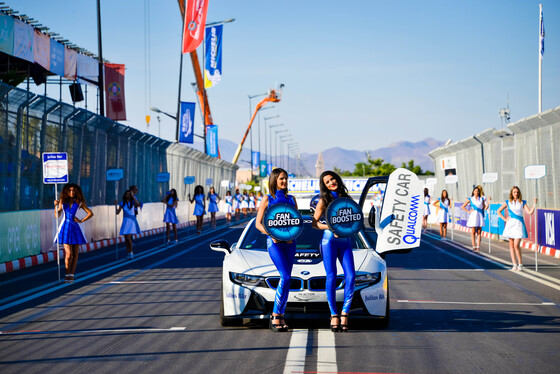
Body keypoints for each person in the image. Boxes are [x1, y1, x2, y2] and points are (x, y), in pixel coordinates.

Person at [312, 170, 356, 332]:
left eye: (332, 179)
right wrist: (330, 226)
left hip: (345, 241)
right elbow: (314, 223)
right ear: (324, 186)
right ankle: (333, 315)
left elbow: (354, 220)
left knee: (351, 275)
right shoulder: (323, 200)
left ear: (337, 179)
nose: (331, 183)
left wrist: (349, 229)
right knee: (331, 276)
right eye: (327, 182)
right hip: (329, 241)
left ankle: (345, 312)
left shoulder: (347, 199)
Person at [255, 168, 298, 332]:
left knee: (287, 280)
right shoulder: (268, 198)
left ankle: (280, 314)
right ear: (274, 180)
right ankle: (276, 315)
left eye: (286, 178)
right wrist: (271, 233)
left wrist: (292, 235)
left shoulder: (292, 199)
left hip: (290, 243)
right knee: (285, 276)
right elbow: (258, 223)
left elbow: (295, 221)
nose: (284, 181)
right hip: (274, 243)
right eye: (281, 179)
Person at [54, 183, 94, 283]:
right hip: (65, 228)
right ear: (66, 191)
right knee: (68, 254)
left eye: (74, 191)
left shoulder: (79, 202)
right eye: (70, 190)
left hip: (76, 228)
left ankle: (72, 274)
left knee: (75, 254)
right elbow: (57, 215)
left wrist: (81, 220)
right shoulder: (62, 201)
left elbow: (90, 213)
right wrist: (56, 207)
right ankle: (66, 273)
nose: (72, 192)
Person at [497, 186, 537, 271]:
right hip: (510, 224)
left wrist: (534, 204)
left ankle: (520, 264)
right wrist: (504, 219)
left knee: (516, 245)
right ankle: (514, 264)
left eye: (517, 192)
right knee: (511, 245)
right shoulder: (508, 202)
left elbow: (529, 212)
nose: (516, 193)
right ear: (512, 193)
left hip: (519, 225)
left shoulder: (522, 202)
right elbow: (498, 211)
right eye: (514, 192)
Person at [461, 186, 489, 252]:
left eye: (477, 191)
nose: (476, 192)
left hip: (479, 216)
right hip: (473, 216)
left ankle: (478, 246)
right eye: (475, 191)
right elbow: (463, 206)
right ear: (473, 192)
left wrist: (488, 202)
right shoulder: (470, 199)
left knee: (479, 232)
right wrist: (469, 211)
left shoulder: (481, 199)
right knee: (473, 232)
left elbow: (484, 208)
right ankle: (473, 246)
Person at [116, 189, 142, 259]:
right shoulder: (122, 203)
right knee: (126, 238)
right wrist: (116, 205)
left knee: (128, 237)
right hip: (125, 221)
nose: (128, 195)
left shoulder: (133, 202)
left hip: (131, 221)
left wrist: (133, 197)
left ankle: (131, 252)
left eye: (129, 194)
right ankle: (128, 252)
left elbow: (138, 205)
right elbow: (117, 212)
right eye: (127, 194)